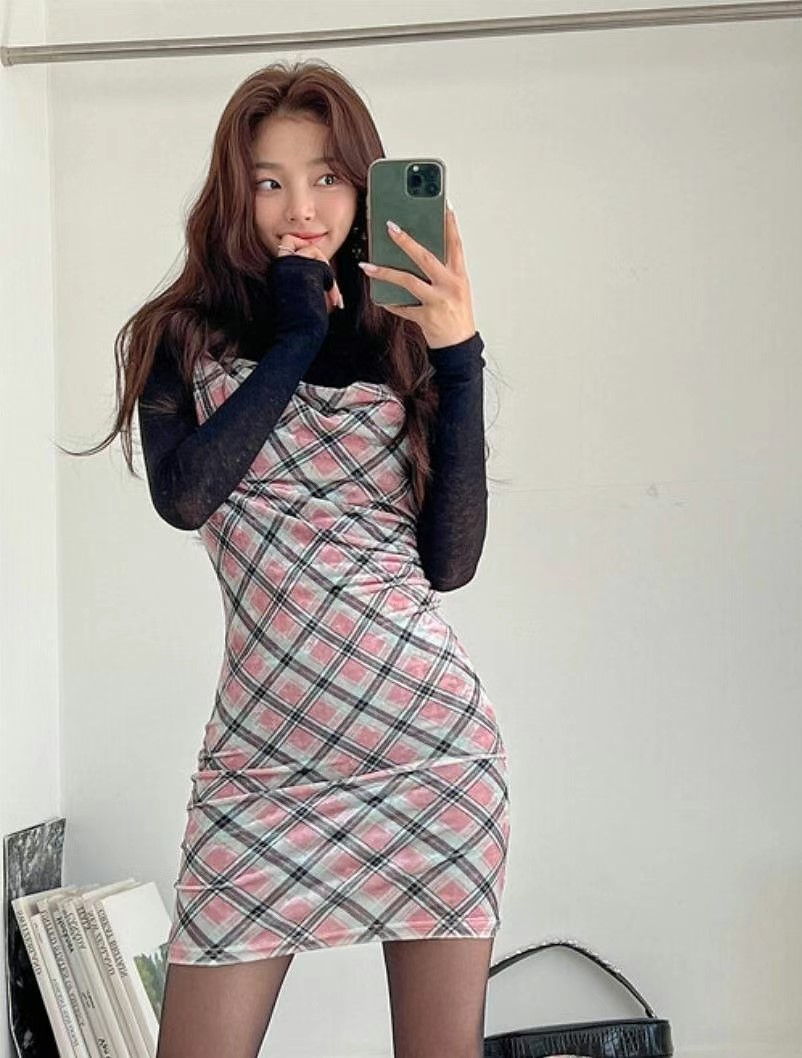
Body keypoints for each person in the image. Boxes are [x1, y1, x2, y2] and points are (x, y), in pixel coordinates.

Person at [64, 59, 510, 1058]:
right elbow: (186, 496)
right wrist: (297, 333)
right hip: (259, 766)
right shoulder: (182, 335)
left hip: (429, 750)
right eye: (270, 181)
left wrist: (460, 355)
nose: (300, 208)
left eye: (325, 177)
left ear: (362, 186)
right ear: (236, 191)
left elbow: (449, 563)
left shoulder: (406, 340)